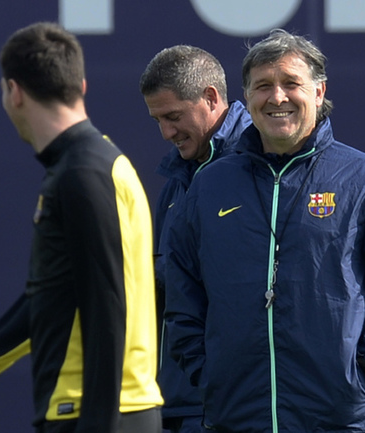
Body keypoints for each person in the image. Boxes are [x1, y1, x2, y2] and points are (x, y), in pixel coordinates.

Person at [164, 29, 365, 432]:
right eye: (263, 86)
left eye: (291, 83)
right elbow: (182, 293)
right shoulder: (210, 185)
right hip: (237, 417)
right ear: (247, 96)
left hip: (342, 421)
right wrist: (210, 377)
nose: (277, 97)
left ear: (319, 91)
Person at [0, 22, 163, 433]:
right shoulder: (89, 166)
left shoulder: (83, 174)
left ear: (14, 92)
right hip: (96, 413)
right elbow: (52, 297)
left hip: (97, 416)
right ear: (81, 86)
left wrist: (98, 424)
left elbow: (108, 309)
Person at [139, 45, 251, 432]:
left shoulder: (260, 165)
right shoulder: (176, 181)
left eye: (173, 117)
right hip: (176, 404)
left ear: (211, 98)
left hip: (237, 405)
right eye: (157, 120)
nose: (166, 133)